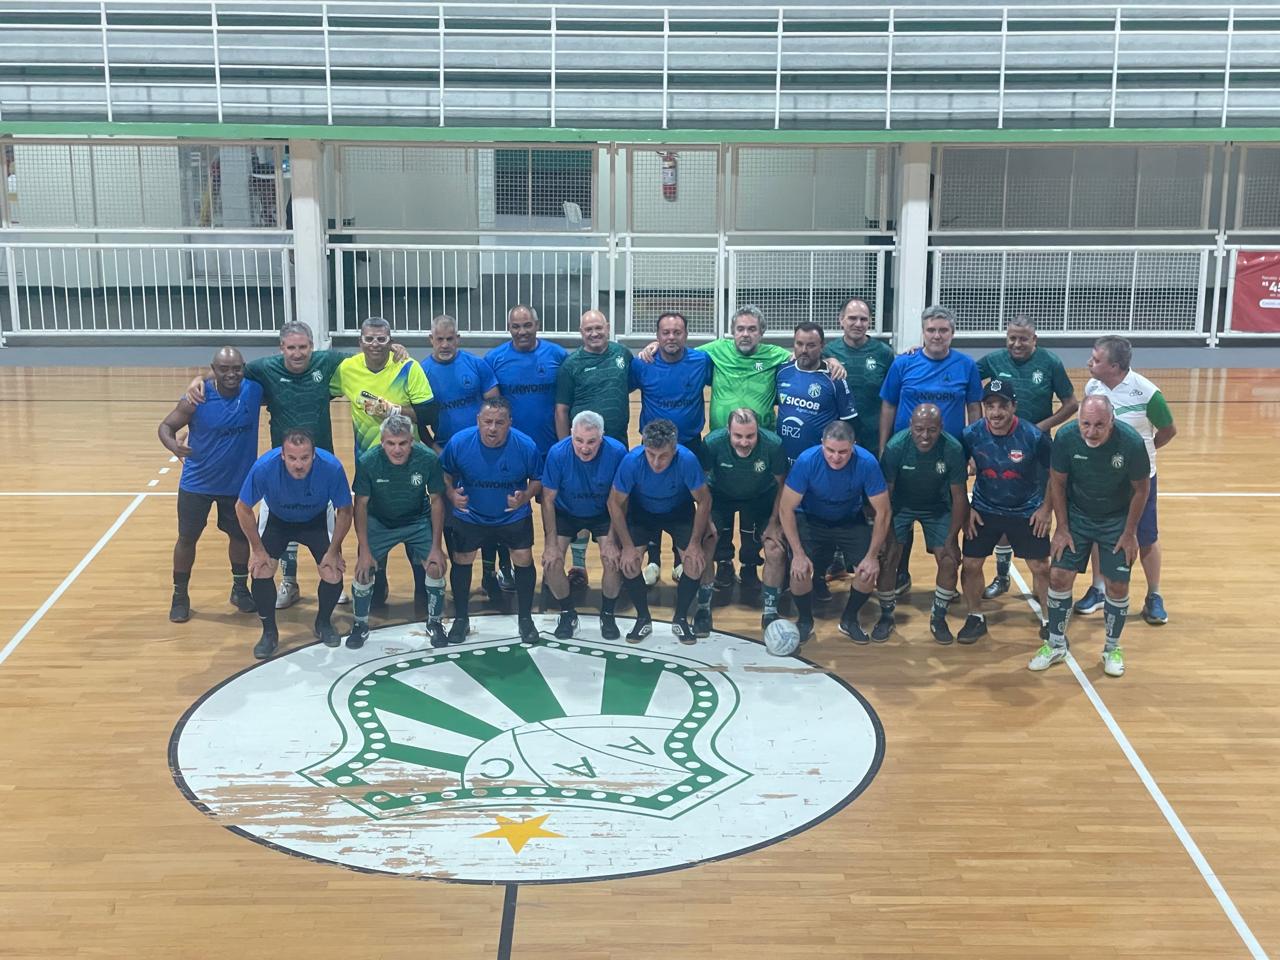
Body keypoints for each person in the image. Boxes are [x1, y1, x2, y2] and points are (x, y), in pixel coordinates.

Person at [185, 320, 406, 610]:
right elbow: (229, 374)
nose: (298, 353)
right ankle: (289, 583)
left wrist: (394, 348)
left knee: (327, 528)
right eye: (291, 347)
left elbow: (368, 356)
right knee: (283, 526)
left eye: (303, 347)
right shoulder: (265, 368)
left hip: (322, 465)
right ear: (282, 349)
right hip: (283, 466)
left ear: (312, 348)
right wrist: (199, 378)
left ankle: (331, 580)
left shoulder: (327, 362)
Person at [1031, 395, 1150, 677]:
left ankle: (1112, 648)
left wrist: (1130, 532)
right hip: (1077, 515)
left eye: (1099, 425)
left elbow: (1142, 490)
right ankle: (1056, 643)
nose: (1091, 432)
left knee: (1117, 586)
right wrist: (1062, 527)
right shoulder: (1067, 437)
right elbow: (1057, 482)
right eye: (1086, 423)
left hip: (1116, 519)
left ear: (1112, 421)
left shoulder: (1131, 443)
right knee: (1059, 576)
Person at [330, 316, 437, 610]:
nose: (375, 344)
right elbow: (317, 385)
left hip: (410, 459)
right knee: (374, 517)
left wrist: (392, 410)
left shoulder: (407, 367)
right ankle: (379, 579)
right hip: (371, 463)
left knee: (416, 515)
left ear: (391, 342)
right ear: (359, 342)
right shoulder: (347, 369)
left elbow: (428, 414)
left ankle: (421, 582)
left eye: (381, 339)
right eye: (369, 339)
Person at [878, 304, 982, 595]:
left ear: (953, 333)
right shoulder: (903, 363)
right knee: (900, 517)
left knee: (944, 511)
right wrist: (884, 446)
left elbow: (974, 407)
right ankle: (900, 574)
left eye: (943, 330)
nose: (937, 336)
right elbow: (889, 405)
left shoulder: (966, 366)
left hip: (947, 457)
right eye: (931, 330)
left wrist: (973, 450)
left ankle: (945, 582)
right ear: (923, 333)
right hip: (906, 454)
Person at [1076, 336, 1177, 626]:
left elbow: (1169, 430)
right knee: (1098, 532)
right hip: (1102, 478)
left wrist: (1143, 455)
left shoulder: (1147, 393)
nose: (1089, 363)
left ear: (1115, 366)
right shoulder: (1092, 388)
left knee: (1145, 537)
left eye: (1096, 359)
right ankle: (1098, 589)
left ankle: (1154, 596)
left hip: (1137, 482)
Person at [158, 346, 263, 623]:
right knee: (187, 539)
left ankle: (240, 589)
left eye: (236, 368)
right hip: (197, 484)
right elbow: (166, 427)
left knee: (240, 537)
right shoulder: (197, 398)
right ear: (213, 370)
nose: (231, 374)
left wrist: (200, 376)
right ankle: (180, 595)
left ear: (244, 367)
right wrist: (173, 446)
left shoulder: (254, 390)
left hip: (237, 484)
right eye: (224, 369)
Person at [976, 316, 1077, 599]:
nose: (1017, 344)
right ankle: (1002, 575)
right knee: (1002, 508)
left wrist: (1040, 427)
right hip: (1000, 449)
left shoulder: (1050, 363)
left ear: (1035, 339)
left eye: (1023, 338)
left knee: (1042, 507)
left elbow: (1071, 404)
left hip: (1037, 447)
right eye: (1012, 338)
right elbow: (962, 373)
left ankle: (1042, 573)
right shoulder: (994, 360)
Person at [235, 429, 353, 659]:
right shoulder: (264, 468)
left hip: (316, 519)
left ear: (314, 456)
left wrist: (334, 550)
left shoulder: (332, 468)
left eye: (304, 458)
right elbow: (242, 507)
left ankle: (323, 623)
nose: (298, 464)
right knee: (261, 569)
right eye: (292, 458)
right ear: (282, 455)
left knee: (332, 571)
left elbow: (345, 510)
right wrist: (257, 550)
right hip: (277, 519)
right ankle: (269, 632)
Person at [440, 396, 544, 644]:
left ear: (510, 422)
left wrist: (526, 496)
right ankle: (461, 619)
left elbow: (538, 479)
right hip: (471, 515)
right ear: (478, 420)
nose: (492, 428)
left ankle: (525, 618)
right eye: (487, 422)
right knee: (462, 559)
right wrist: (452, 494)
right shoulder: (459, 442)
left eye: (499, 422)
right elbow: (443, 473)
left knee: (524, 558)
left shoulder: (525, 445)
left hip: (512, 515)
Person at [778, 420, 891, 645]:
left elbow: (884, 512)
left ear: (854, 446)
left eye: (843, 451)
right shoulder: (807, 461)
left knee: (868, 572)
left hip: (849, 520)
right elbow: (785, 508)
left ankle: (849, 619)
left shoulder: (867, 462)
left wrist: (871, 557)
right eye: (830, 450)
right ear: (822, 444)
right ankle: (805, 621)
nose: (835, 457)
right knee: (799, 571)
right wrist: (798, 554)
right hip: (811, 518)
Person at [608, 419, 718, 644]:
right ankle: (643, 617)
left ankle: (680, 618)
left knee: (695, 563)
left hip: (679, 511)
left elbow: (704, 501)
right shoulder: (632, 461)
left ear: (674, 449)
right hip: (643, 512)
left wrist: (696, 543)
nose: (656, 462)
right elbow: (614, 503)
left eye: (663, 456)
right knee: (628, 564)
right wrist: (627, 547)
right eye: (651, 455)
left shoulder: (687, 460)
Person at [959, 379, 1053, 642]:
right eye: (990, 406)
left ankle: (1049, 621)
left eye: (1002, 405)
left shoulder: (1033, 436)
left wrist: (1046, 509)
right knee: (970, 564)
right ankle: (975, 617)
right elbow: (956, 477)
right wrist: (967, 509)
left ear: (1014, 406)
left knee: (1040, 567)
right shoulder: (971, 435)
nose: (996, 412)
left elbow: (1058, 474)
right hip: (984, 509)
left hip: (1026, 511)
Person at [345, 414, 449, 651]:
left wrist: (436, 547)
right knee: (363, 571)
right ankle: (360, 625)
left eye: (402, 443)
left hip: (416, 519)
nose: (397, 449)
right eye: (391, 443)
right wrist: (364, 550)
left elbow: (436, 501)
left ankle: (435, 622)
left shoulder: (428, 459)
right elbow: (360, 505)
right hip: (379, 521)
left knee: (436, 566)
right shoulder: (368, 461)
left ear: (412, 441)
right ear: (382, 442)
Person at [484, 304, 568, 598]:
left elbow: (566, 402)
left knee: (552, 510)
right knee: (509, 509)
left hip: (549, 452)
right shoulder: (494, 359)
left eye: (527, 325)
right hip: (510, 453)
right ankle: (506, 566)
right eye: (516, 327)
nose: (522, 332)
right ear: (509, 328)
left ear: (537, 325)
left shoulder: (557, 356)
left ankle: (553, 565)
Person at [628, 310, 713, 584]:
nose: (671, 337)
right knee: (649, 498)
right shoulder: (643, 364)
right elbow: (622, 388)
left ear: (686, 335)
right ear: (657, 336)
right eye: (665, 332)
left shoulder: (701, 360)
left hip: (690, 443)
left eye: (677, 332)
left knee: (686, 499)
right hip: (652, 445)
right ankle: (653, 561)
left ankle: (680, 560)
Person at [554, 310, 633, 586]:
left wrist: (653, 347)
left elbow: (633, 383)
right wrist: (568, 447)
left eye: (599, 327)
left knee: (614, 503)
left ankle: (617, 560)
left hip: (616, 449)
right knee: (579, 500)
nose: (594, 333)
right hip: (581, 448)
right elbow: (562, 410)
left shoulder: (623, 355)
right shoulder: (571, 364)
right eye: (588, 329)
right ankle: (578, 566)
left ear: (608, 327)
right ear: (581, 331)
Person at [879, 404, 969, 644]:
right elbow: (885, 497)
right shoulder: (896, 447)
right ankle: (886, 615)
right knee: (887, 558)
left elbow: (959, 496)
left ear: (941, 428)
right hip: (900, 506)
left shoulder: (952, 448)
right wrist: (886, 537)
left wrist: (952, 540)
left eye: (932, 430)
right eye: (919, 429)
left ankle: (938, 617)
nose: (925, 436)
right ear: (910, 426)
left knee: (950, 561)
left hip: (937, 508)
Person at [540, 411, 628, 640]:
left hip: (603, 512)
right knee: (551, 562)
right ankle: (567, 613)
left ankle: (607, 614)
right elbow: (547, 499)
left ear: (602, 437)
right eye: (578, 440)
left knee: (612, 559)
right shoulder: (557, 453)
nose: (584, 448)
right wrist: (550, 544)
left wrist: (614, 540)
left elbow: (621, 499)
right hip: (566, 512)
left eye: (591, 441)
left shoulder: (617, 452)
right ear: (571, 435)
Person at [699, 409, 789, 623]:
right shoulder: (712, 443)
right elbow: (700, 483)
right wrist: (706, 521)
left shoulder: (773, 445)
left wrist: (775, 523)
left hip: (761, 496)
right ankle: (703, 606)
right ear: (727, 431)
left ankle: (770, 611)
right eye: (738, 436)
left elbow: (782, 485)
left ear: (758, 431)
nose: (744, 442)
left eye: (750, 436)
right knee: (706, 543)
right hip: (721, 496)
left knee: (775, 549)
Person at [775, 321, 858, 465]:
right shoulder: (782, 371)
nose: (804, 350)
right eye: (799, 344)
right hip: (784, 459)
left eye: (811, 345)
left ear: (822, 346)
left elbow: (850, 424)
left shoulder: (835, 377)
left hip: (820, 463)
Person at [822, 297, 894, 452]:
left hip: (873, 438)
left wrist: (883, 445)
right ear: (841, 320)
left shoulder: (884, 353)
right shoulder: (828, 351)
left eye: (863, 319)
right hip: (837, 438)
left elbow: (890, 400)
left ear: (869, 322)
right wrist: (828, 360)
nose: (858, 324)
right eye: (852, 318)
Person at [419, 314, 500, 451]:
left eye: (449, 339)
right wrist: (438, 451)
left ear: (457, 339)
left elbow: (497, 408)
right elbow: (418, 422)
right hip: (446, 449)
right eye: (440, 339)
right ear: (431, 339)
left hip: (482, 447)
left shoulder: (477, 364)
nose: (445, 345)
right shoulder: (421, 373)